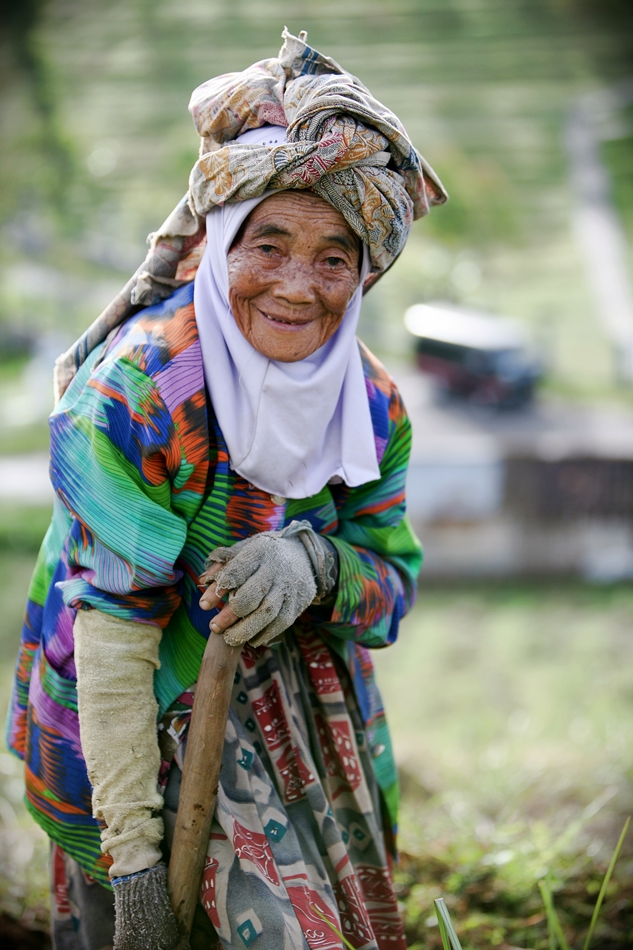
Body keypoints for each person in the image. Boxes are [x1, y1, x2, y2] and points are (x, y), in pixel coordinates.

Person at [7, 28, 446, 950]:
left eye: (335, 257)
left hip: (299, 721)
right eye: (268, 243)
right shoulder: (139, 394)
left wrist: (319, 563)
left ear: (366, 271)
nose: (298, 287)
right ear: (211, 243)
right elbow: (113, 640)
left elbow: (391, 583)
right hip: (120, 725)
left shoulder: (368, 404)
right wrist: (132, 868)